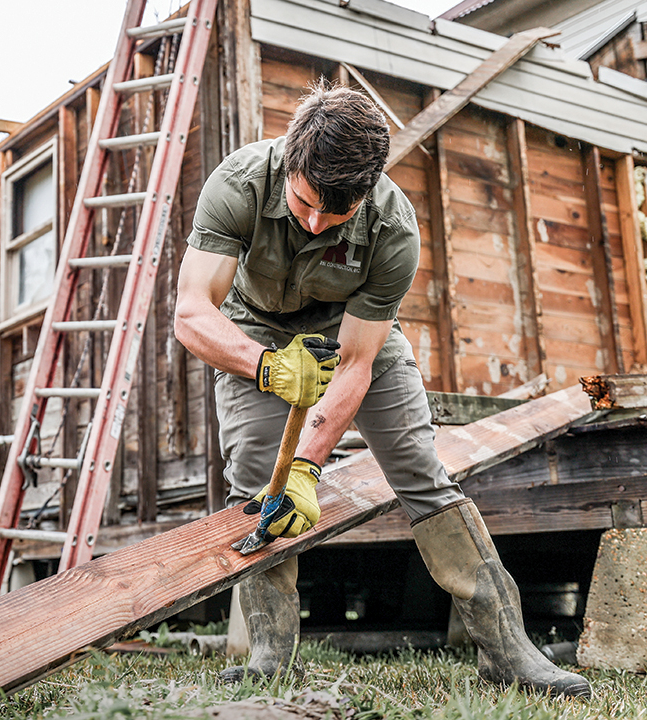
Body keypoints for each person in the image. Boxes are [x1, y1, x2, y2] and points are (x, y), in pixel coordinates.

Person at [173, 84, 590, 697]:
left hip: (356, 337)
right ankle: (269, 659)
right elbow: (190, 312)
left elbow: (357, 361)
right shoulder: (237, 186)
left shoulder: (393, 228)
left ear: (365, 193)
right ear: (291, 160)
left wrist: (308, 468)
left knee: (422, 472)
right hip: (254, 330)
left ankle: (510, 652)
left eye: (334, 215)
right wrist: (267, 367)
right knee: (256, 482)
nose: (315, 222)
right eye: (305, 203)